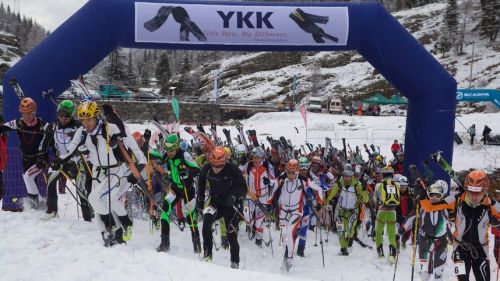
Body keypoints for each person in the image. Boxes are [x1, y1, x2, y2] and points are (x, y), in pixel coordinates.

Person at [57, 102, 146, 246]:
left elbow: (124, 133)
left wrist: (113, 116)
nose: (86, 123)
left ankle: (118, 226)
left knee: (96, 198)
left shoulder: (109, 128)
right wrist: (59, 161)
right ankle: (109, 234)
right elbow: (70, 150)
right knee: (99, 205)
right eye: (83, 120)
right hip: (97, 172)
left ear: (96, 117)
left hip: (114, 171)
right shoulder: (82, 132)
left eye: (89, 119)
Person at [37, 100, 92, 221]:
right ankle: (52, 209)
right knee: (50, 181)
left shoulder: (79, 127)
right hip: (60, 160)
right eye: (61, 114)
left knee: (81, 188)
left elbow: (89, 143)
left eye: (67, 115)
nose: (63, 118)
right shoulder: (52, 127)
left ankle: (88, 216)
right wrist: (40, 156)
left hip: (77, 161)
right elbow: (43, 143)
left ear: (72, 115)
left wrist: (81, 141)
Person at [197, 146, 246, 268]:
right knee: (207, 220)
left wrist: (234, 197)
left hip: (231, 206)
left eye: (218, 166)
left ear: (224, 162)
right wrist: (200, 198)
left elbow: (243, 188)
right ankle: (208, 255)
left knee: (231, 236)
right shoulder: (207, 168)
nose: (216, 168)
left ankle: (235, 262)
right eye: (214, 165)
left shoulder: (232, 169)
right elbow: (201, 182)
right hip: (216, 203)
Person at [269, 159, 321, 271]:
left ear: (297, 172)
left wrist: (319, 202)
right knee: (284, 236)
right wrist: (269, 201)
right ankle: (285, 257)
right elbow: (273, 188)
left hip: (296, 211)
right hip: (283, 211)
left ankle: (290, 258)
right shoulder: (283, 178)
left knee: (290, 232)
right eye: (288, 172)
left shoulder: (303, 180)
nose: (290, 175)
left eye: (293, 173)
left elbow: (319, 188)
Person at [0, 97, 49, 209]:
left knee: (27, 177)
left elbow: (54, 132)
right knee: (30, 180)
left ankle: (34, 203)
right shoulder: (18, 123)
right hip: (26, 159)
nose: (26, 116)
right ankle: (40, 205)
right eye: (23, 113)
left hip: (40, 159)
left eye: (29, 113)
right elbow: (3, 128)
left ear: (34, 112)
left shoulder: (42, 124)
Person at [156, 134, 201, 254]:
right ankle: (164, 244)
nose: (169, 153)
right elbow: (160, 159)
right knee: (165, 210)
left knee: (191, 219)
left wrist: (187, 173)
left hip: (188, 189)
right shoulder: (166, 155)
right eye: (167, 150)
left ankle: (197, 247)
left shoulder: (185, 156)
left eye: (171, 150)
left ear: (176, 148)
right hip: (176, 188)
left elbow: (197, 170)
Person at [452, 170, 499, 281]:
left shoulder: (491, 204)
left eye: (478, 192)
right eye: (471, 191)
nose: (474, 196)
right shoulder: (457, 200)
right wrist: (422, 196)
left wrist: (497, 221)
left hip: (481, 249)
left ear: (484, 191)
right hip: (460, 248)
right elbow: (432, 205)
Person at [325, 164, 369, 255]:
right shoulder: (339, 183)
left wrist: (364, 190)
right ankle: (343, 248)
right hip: (340, 211)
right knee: (341, 231)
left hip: (352, 212)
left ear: (352, 175)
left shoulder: (357, 185)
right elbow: (331, 194)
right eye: (345, 175)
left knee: (349, 229)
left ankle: (350, 238)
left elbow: (365, 200)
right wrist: (327, 201)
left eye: (348, 175)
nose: (346, 178)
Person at [244, 146, 277, 247]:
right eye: (255, 157)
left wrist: (269, 182)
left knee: (259, 222)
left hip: (263, 196)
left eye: (259, 157)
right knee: (247, 216)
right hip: (250, 195)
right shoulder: (249, 165)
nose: (256, 159)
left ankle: (258, 242)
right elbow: (242, 175)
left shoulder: (267, 165)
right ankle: (250, 226)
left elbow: (274, 181)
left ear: (262, 157)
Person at [374, 166, 400, 263]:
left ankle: (380, 253)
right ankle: (392, 255)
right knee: (391, 234)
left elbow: (375, 199)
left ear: (383, 174)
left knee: (378, 232)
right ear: (392, 174)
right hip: (392, 212)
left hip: (381, 211)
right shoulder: (397, 184)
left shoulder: (378, 185)